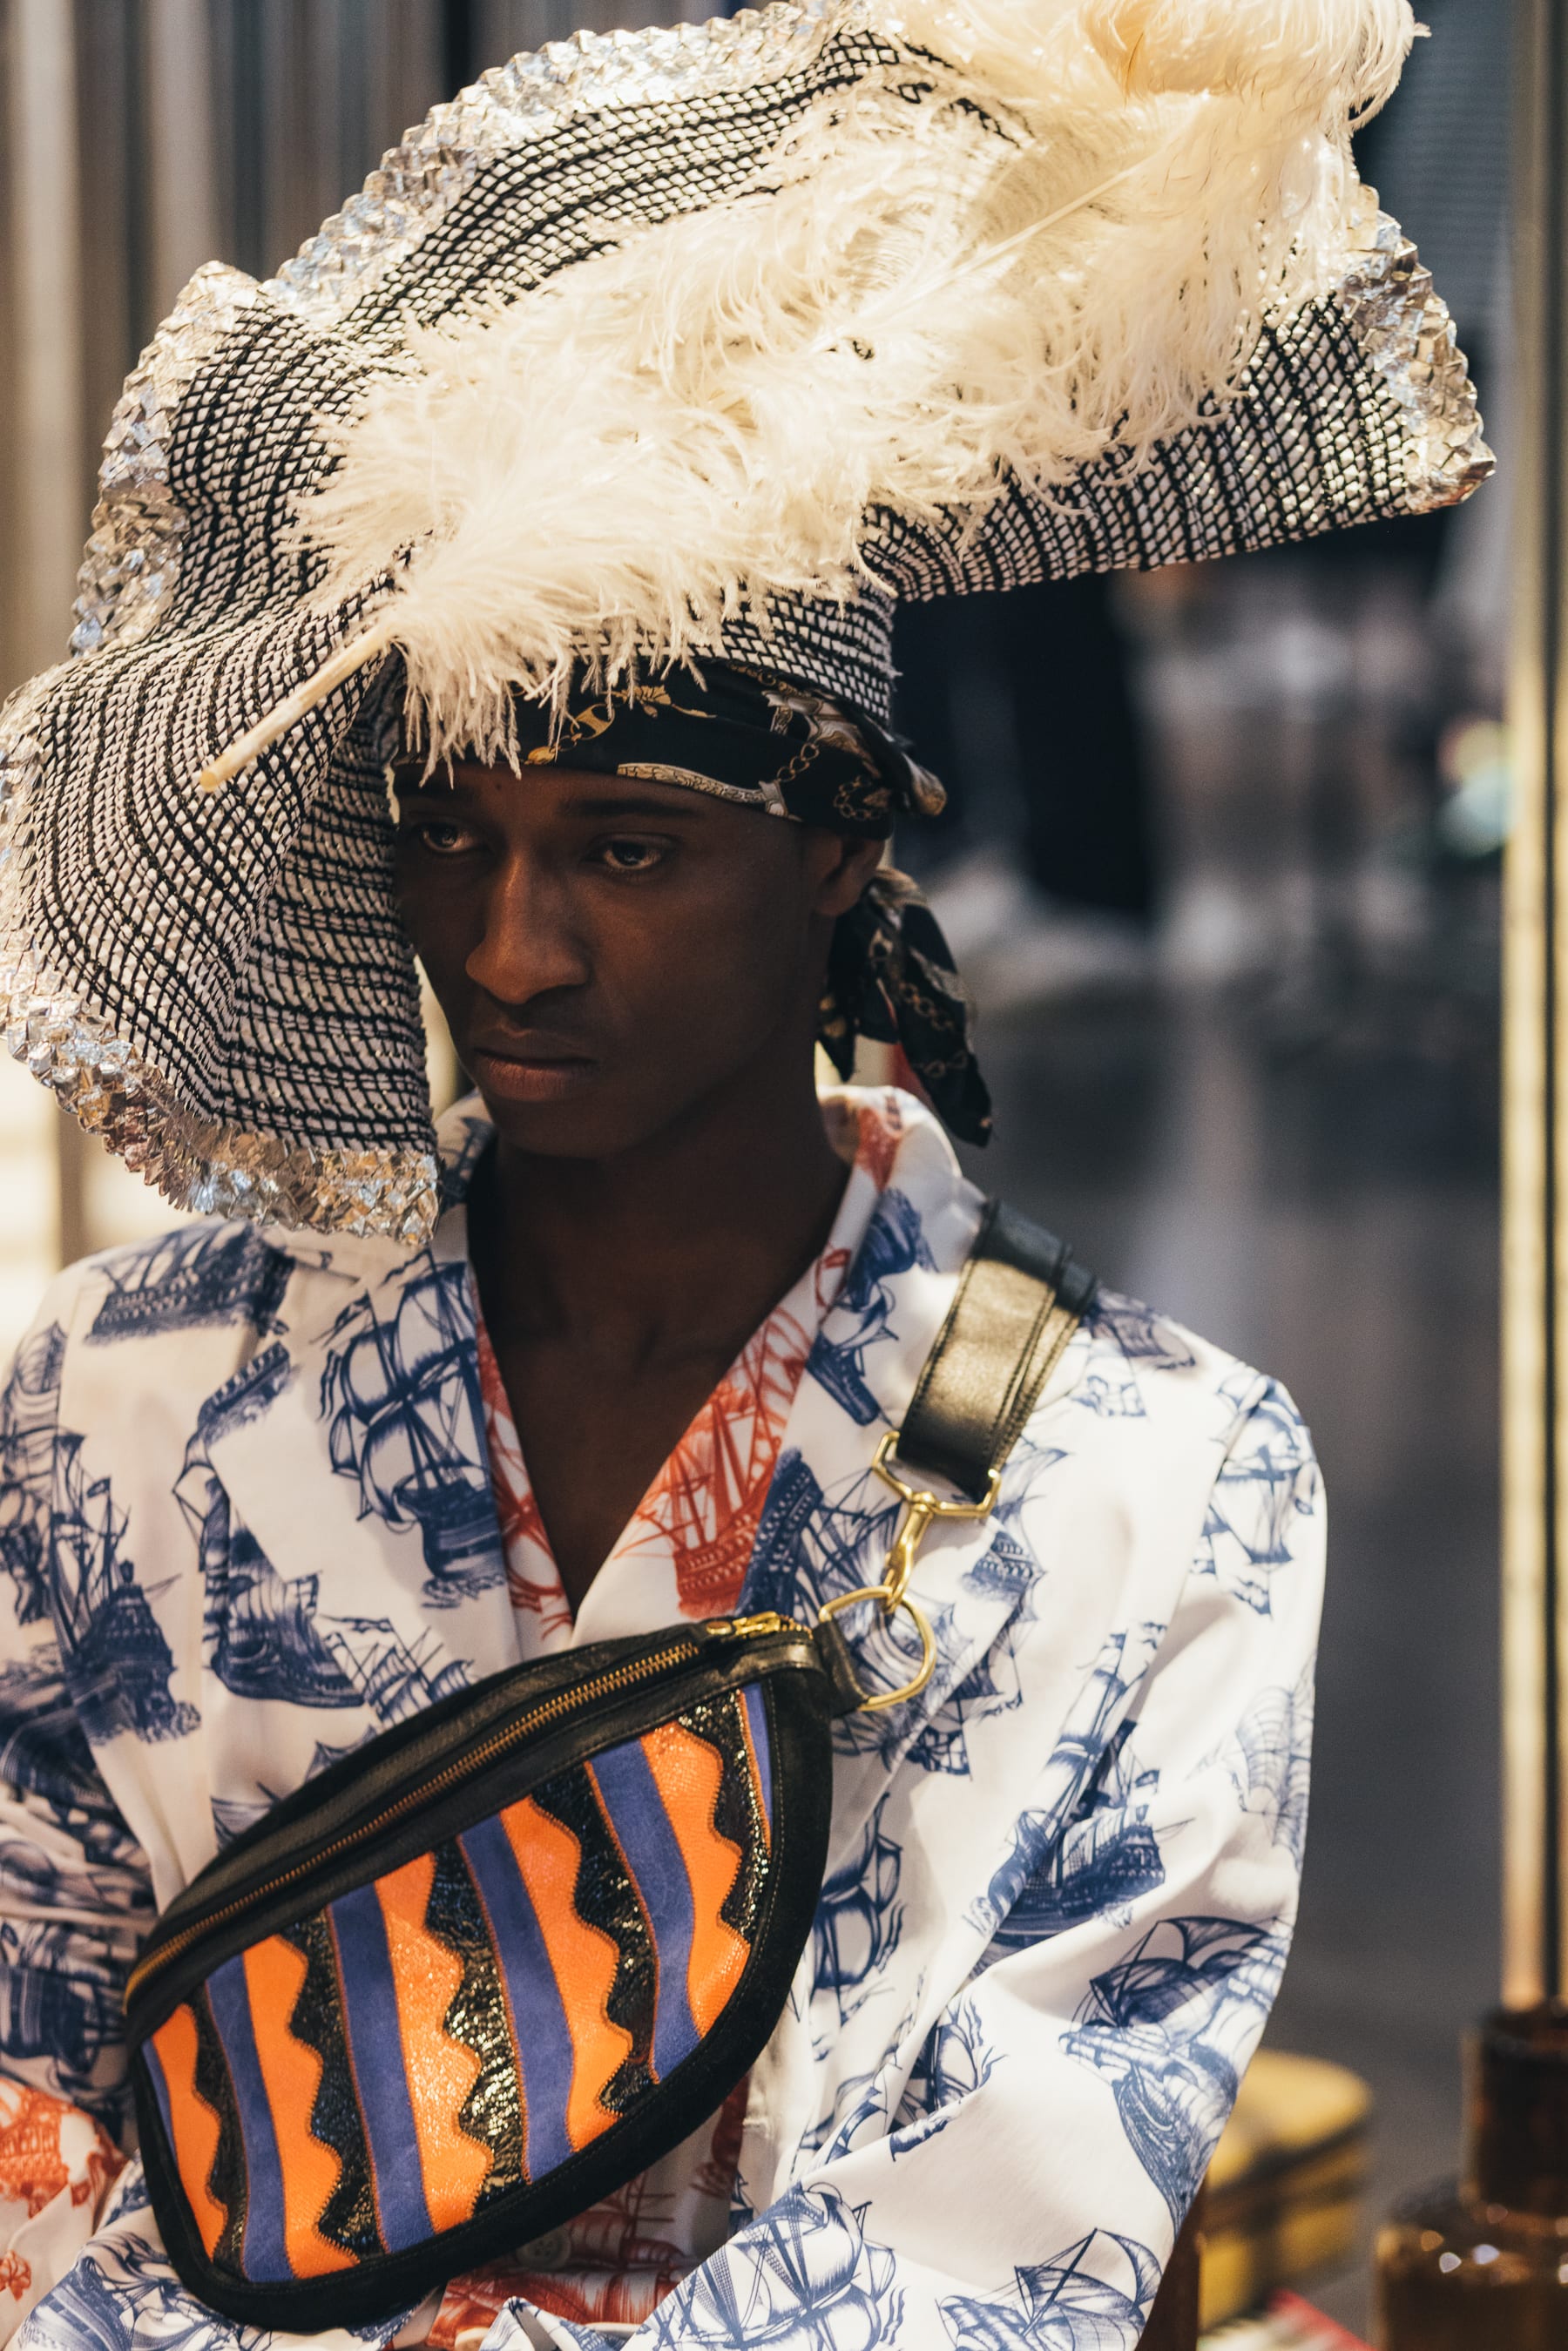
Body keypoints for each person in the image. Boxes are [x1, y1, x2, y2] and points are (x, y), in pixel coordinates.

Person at [0, 0, 1488, 2344]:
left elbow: (1000, 2242)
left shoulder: (1156, 1484)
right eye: (451, 837)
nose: (509, 946)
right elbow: (30, 2088)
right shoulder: (114, 1399)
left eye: (625, 847)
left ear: (837, 852)